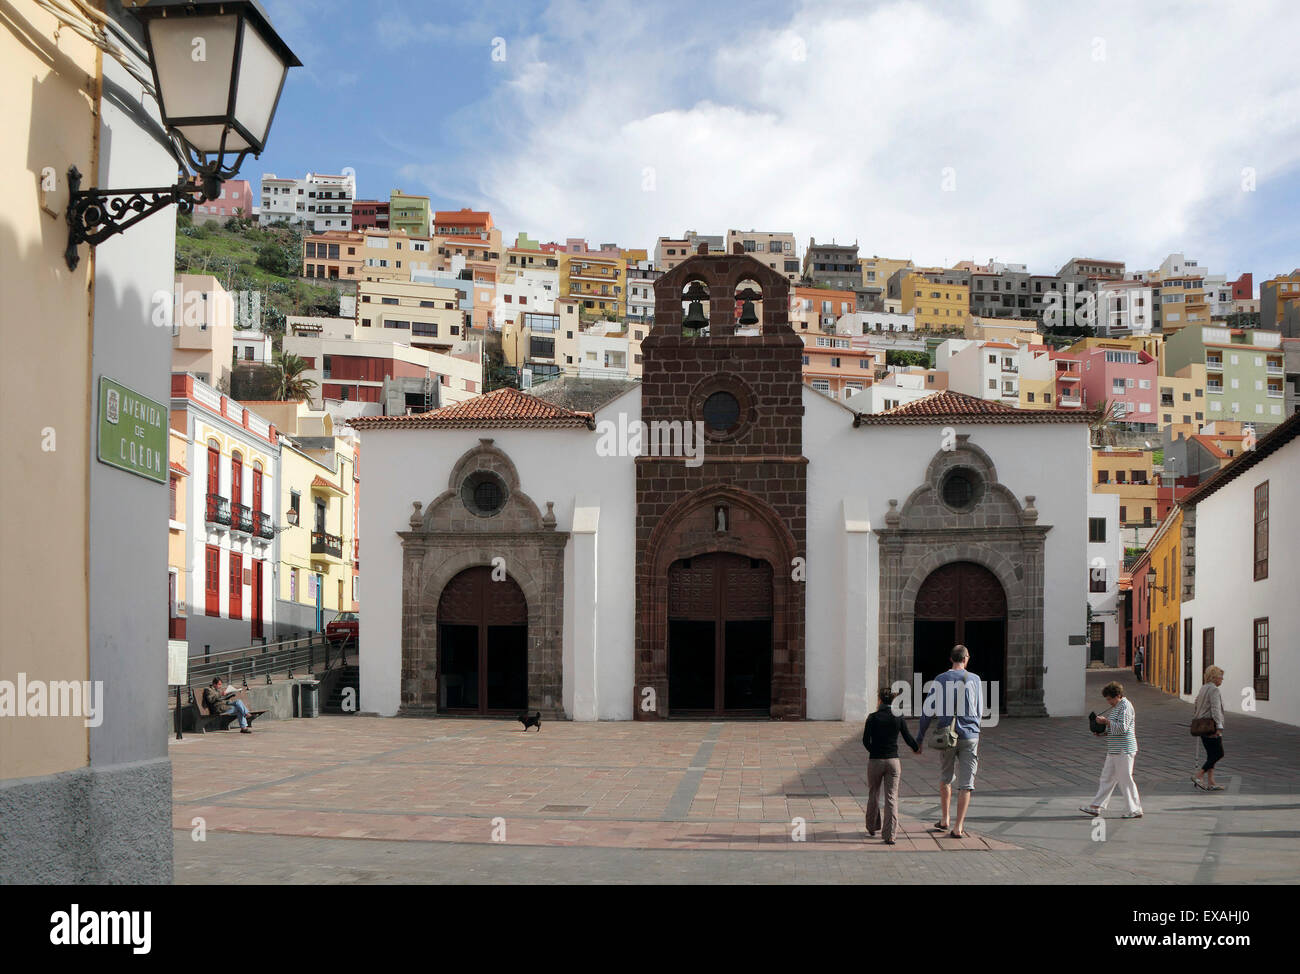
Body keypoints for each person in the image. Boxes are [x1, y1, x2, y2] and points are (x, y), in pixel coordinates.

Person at [917, 645, 982, 839]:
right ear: (966, 658)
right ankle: (958, 827)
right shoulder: (975, 679)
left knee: (946, 777)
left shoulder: (940, 679)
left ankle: (945, 818)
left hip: (947, 736)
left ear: (950, 658)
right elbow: (979, 709)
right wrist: (974, 728)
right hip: (970, 736)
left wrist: (919, 738)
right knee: (966, 783)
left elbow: (927, 712)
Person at [861, 686, 920, 845]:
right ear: (893, 701)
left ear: (879, 699)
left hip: (875, 761)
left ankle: (872, 827)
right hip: (893, 761)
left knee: (873, 793)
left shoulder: (872, 718)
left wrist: (875, 751)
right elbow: (908, 738)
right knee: (891, 797)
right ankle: (890, 835)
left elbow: (865, 741)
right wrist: (916, 748)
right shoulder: (898, 717)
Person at [1080, 681, 1143, 818]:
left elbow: (1122, 728)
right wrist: (1102, 733)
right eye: (1107, 699)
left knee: (1125, 779)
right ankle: (1096, 806)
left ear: (1118, 695)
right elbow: (1116, 729)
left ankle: (1135, 809)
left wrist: (1106, 722)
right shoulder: (1117, 707)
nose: (1108, 701)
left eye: (1110, 698)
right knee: (1106, 777)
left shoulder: (1125, 706)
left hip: (1124, 749)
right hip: (1115, 749)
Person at [1192, 666, 1226, 791]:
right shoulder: (1214, 690)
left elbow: (1196, 703)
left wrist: (1197, 716)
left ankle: (1211, 782)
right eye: (1221, 676)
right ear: (1215, 677)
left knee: (1211, 754)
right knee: (1218, 753)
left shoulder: (1203, 688)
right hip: (1211, 726)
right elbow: (1215, 709)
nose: (1222, 679)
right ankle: (1199, 775)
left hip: (1201, 726)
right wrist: (1219, 726)